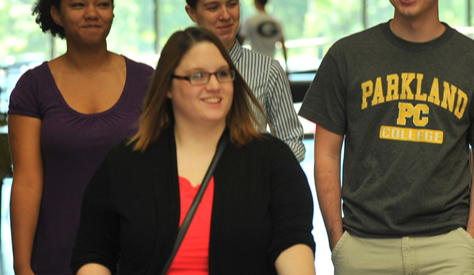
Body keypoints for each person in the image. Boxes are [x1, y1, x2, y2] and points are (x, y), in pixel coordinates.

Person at [298, 0, 474, 273]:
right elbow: (327, 153)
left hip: (447, 247)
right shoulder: (347, 56)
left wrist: (471, 239)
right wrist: (338, 240)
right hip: (364, 246)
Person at [71, 27, 315, 274]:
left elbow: (293, 242)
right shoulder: (125, 163)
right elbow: (94, 252)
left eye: (222, 74)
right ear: (167, 86)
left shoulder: (272, 160)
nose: (214, 85)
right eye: (198, 75)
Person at [8, 0, 153, 275]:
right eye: (78, 5)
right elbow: (27, 182)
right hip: (57, 251)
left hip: (135, 250)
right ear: (56, 14)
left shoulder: (147, 80)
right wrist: (22, 265)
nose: (92, 13)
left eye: (103, 4)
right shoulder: (33, 87)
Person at [184, 0, 305, 161]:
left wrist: (265, 174)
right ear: (192, 13)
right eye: (213, 7)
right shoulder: (177, 71)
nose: (225, 15)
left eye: (232, 4)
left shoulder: (268, 71)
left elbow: (291, 139)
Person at [243, 0, 289, 68]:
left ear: (256, 1)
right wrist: (287, 67)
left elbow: (240, 42)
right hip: (271, 64)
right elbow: (283, 45)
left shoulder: (250, 21)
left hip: (255, 64)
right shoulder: (276, 21)